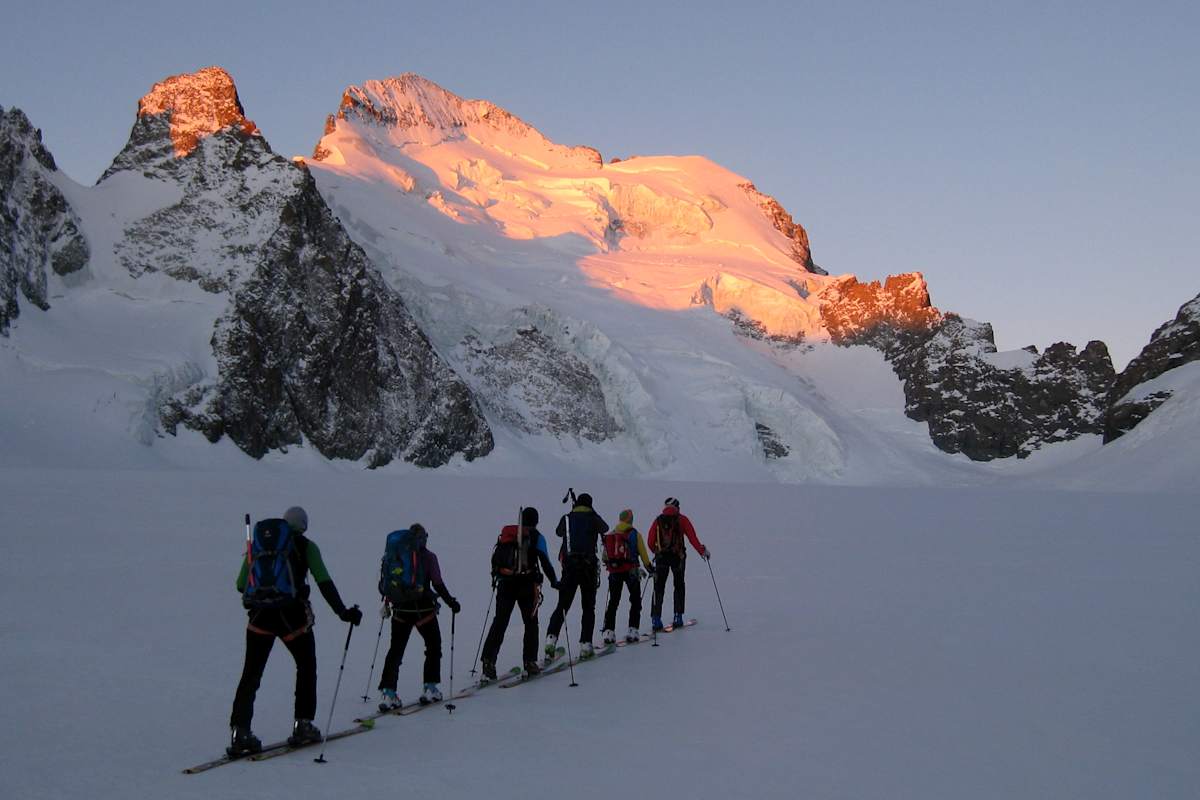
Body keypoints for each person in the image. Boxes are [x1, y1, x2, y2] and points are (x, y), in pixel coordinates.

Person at [229, 506, 363, 757]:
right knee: (306, 667)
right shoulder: (306, 546)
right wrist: (343, 612)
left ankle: (240, 732)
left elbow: (240, 584)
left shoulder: (258, 546)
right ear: (303, 525)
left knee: (251, 674)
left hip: (259, 618)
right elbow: (323, 581)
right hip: (293, 619)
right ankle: (303, 724)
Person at [377, 523, 461, 710]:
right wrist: (451, 602)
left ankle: (388, 693)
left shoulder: (395, 555)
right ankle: (430, 687)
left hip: (400, 610)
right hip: (423, 611)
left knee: (395, 650)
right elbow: (438, 583)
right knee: (433, 645)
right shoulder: (429, 557)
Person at [480, 507, 560, 680]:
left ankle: (488, 662)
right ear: (536, 521)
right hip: (527, 585)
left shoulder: (507, 534)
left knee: (500, 622)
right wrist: (554, 581)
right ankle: (530, 663)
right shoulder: (537, 537)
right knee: (531, 623)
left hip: (505, 584)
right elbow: (545, 561)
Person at [545, 492, 608, 660]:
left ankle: (550, 640)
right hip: (588, 568)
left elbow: (559, 532)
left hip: (569, 567)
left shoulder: (566, 518)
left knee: (562, 605)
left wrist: (574, 515)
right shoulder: (593, 518)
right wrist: (592, 513)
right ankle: (585, 645)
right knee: (588, 607)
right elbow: (605, 528)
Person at [647, 497, 710, 631]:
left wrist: (657, 551)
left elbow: (650, 541)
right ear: (677, 507)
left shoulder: (658, 520)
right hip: (678, 557)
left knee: (658, 587)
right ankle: (678, 616)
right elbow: (693, 538)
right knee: (679, 585)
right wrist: (702, 551)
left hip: (661, 558)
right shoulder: (682, 519)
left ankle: (656, 619)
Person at [600, 509, 654, 644]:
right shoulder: (635, 534)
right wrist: (650, 568)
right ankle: (633, 630)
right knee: (635, 600)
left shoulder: (612, 534)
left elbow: (604, 557)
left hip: (615, 572)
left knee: (613, 601)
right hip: (632, 571)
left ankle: (609, 632)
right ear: (630, 520)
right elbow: (643, 554)